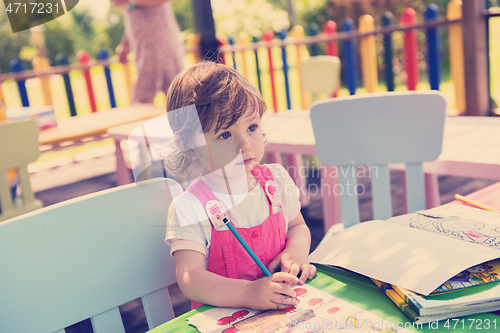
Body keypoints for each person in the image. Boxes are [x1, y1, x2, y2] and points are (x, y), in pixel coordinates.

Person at [164, 62, 316, 311]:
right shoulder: (189, 208)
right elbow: (190, 278)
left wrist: (296, 252)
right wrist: (248, 293)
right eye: (225, 135)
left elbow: (297, 226)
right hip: (224, 320)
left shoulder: (275, 181)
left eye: (252, 127)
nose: (245, 144)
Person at [111, 0, 184, 103]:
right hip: (145, 49)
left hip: (161, 46)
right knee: (145, 99)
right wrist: (125, 46)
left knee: (176, 96)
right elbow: (135, 18)